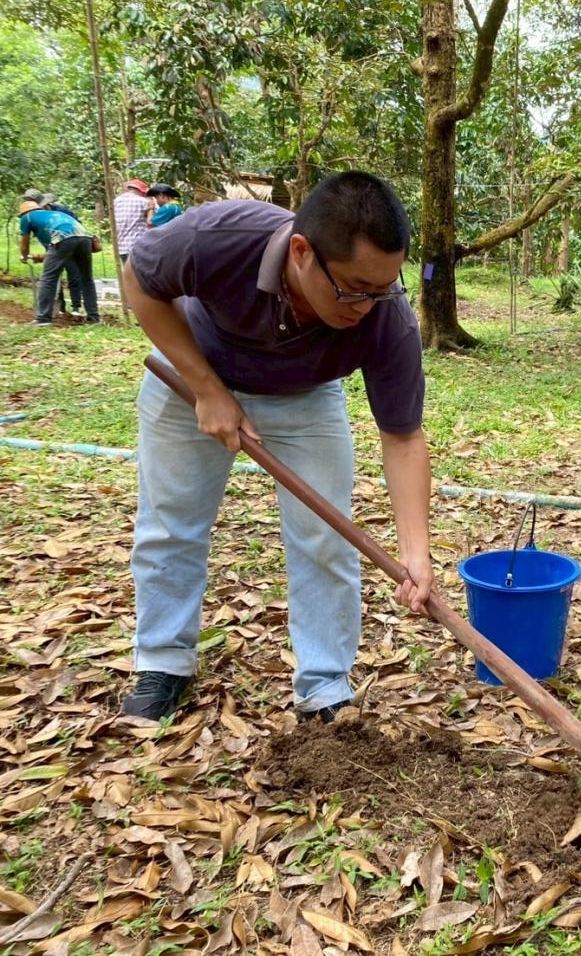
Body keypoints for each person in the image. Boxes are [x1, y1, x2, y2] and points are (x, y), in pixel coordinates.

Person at [121, 171, 434, 723]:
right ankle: (163, 662)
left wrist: (416, 551)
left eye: (382, 288)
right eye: (354, 288)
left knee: (326, 535)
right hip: (193, 372)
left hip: (306, 396)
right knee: (171, 520)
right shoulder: (218, 235)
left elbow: (403, 435)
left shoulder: (386, 316)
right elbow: (140, 282)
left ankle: (323, 685)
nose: (367, 304)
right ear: (301, 252)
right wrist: (207, 389)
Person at [18, 198, 100, 326]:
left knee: (48, 278)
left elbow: (24, 244)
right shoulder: (55, 215)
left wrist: (23, 256)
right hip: (84, 237)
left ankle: (43, 318)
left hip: (64, 237)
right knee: (86, 278)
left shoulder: (27, 217)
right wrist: (40, 257)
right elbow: (57, 251)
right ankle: (94, 317)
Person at [23, 189, 86, 317]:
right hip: (51, 244)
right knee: (53, 275)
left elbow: (76, 224)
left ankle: (75, 307)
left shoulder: (61, 210)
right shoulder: (32, 215)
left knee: (73, 273)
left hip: (69, 240)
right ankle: (59, 307)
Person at [113, 178, 150, 264]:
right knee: (139, 275)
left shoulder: (115, 202)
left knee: (128, 274)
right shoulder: (144, 202)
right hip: (139, 246)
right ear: (141, 191)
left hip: (121, 246)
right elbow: (154, 220)